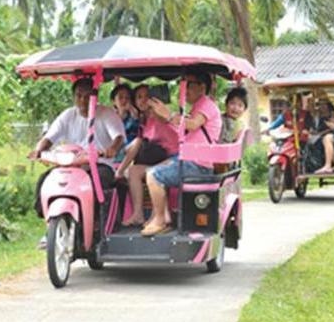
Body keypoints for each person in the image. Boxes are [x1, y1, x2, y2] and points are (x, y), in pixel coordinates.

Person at [29, 77, 125, 216]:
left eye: (87, 97)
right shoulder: (68, 115)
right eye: (79, 96)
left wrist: (112, 149)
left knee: (98, 182)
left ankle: (96, 220)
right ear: (74, 97)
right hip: (72, 164)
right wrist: (39, 150)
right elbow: (49, 137)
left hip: (100, 163)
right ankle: (49, 219)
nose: (82, 100)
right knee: (45, 179)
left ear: (95, 97)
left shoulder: (107, 114)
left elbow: (118, 137)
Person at [141, 71, 222, 236]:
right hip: (189, 160)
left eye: (189, 85)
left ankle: (160, 220)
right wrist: (162, 114)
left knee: (154, 176)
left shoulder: (206, 104)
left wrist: (169, 114)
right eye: (183, 85)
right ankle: (163, 216)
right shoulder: (198, 106)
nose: (185, 90)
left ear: (202, 87)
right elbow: (180, 123)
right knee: (151, 170)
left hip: (198, 165)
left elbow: (192, 125)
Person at [115, 84, 178, 227]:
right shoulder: (144, 121)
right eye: (139, 97)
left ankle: (161, 214)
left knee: (154, 173)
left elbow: (164, 117)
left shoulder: (158, 114)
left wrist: (154, 106)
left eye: (146, 97)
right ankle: (138, 214)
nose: (143, 100)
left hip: (174, 158)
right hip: (161, 158)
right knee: (133, 171)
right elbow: (134, 141)